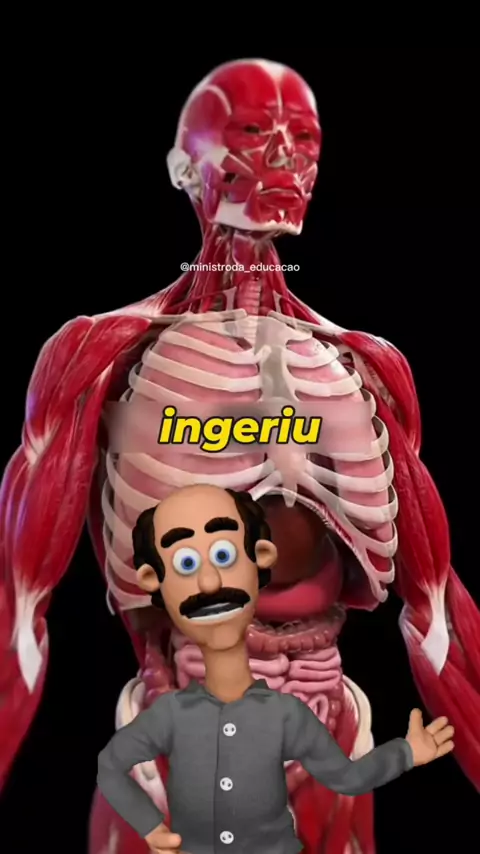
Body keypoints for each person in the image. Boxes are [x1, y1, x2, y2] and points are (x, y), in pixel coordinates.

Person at [97, 484, 454, 854]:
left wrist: (407, 753)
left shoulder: (288, 716)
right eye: (185, 563)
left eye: (223, 555)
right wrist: (150, 827)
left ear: (261, 557)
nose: (209, 582)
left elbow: (347, 776)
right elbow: (111, 767)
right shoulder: (167, 717)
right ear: (152, 581)